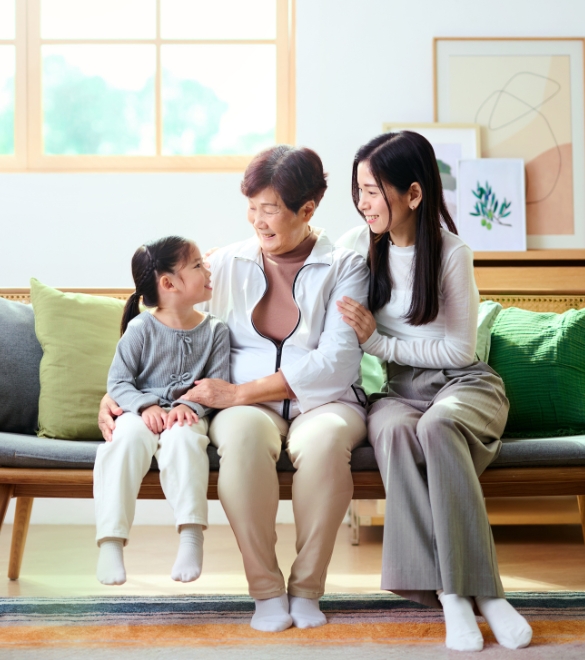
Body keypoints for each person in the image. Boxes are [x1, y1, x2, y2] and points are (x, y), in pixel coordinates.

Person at [99, 146, 370, 632]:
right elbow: (166, 317)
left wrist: (237, 395)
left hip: (325, 402)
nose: (257, 221)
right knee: (241, 438)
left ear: (307, 210)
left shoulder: (345, 266)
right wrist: (120, 393)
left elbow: (337, 362)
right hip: (249, 409)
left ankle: (307, 587)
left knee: (326, 442)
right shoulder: (223, 264)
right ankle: (266, 589)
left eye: (269, 210)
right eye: (251, 208)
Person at [336, 132, 533, 652]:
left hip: (463, 385)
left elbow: (459, 351)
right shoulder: (357, 246)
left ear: (414, 194)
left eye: (373, 191)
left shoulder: (451, 252)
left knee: (437, 424)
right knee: (395, 432)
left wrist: (378, 342)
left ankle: (484, 592)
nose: (363, 204)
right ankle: (451, 595)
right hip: (398, 392)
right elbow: (306, 263)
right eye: (359, 191)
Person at [94, 236, 229, 587]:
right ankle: (110, 541)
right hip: (139, 414)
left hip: (187, 417)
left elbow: (218, 383)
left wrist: (189, 404)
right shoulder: (141, 328)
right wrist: (145, 405)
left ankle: (191, 536)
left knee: (185, 441)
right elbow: (118, 382)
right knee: (123, 441)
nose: (207, 270)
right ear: (168, 284)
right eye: (197, 265)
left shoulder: (216, 330)